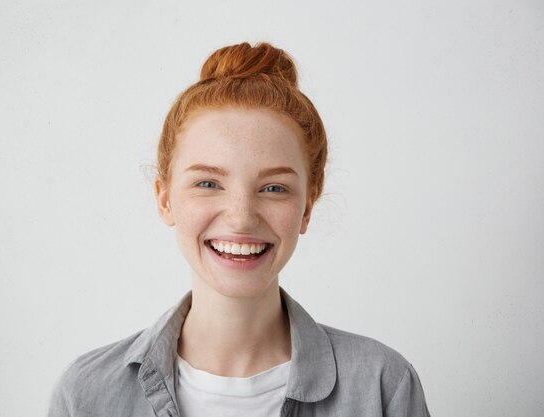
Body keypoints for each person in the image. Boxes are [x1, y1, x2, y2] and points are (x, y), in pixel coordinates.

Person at [47, 42, 431, 417]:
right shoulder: (86, 395)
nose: (241, 217)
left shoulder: (382, 386)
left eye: (274, 188)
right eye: (208, 183)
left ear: (307, 207)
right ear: (164, 199)